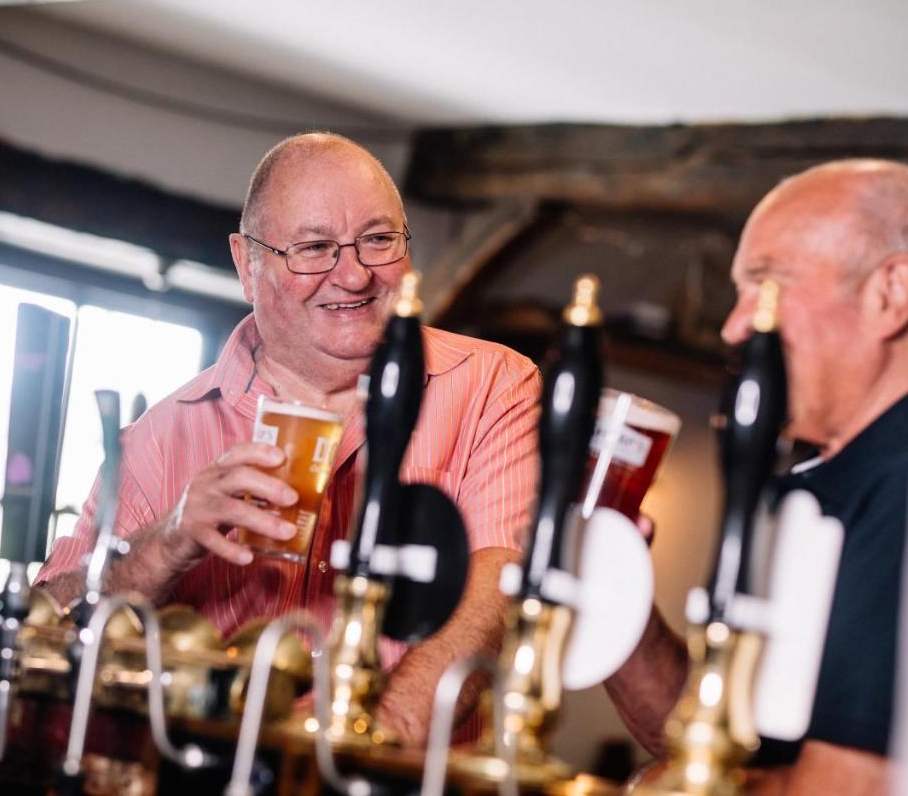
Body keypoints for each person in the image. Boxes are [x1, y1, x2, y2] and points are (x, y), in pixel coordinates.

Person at [36, 132, 540, 745]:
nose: (353, 274)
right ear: (247, 265)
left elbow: (497, 593)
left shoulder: (494, 388)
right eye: (314, 247)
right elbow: (45, 626)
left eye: (379, 240)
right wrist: (166, 543)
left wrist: (352, 750)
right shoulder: (160, 436)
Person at [606, 159, 908, 795]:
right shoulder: (822, 477)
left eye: (765, 282)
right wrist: (611, 588)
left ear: (890, 293)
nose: (734, 326)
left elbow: (855, 787)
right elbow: (725, 735)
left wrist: (662, 787)